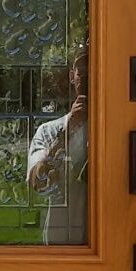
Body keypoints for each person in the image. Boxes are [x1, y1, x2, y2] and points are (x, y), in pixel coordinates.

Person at [26, 47, 88, 244]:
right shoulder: (48, 131)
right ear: (72, 76)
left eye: (94, 72)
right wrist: (66, 134)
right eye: (82, 73)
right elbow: (38, 184)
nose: (87, 79)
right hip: (62, 244)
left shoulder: (116, 130)